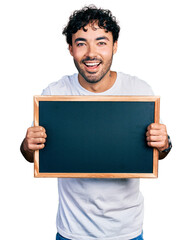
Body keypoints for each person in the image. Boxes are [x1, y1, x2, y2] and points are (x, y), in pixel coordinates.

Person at [20, 5, 172, 240]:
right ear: (71, 49)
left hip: (127, 231)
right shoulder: (55, 93)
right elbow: (32, 155)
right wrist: (28, 145)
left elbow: (158, 153)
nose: (91, 53)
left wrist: (164, 143)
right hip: (72, 231)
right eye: (81, 43)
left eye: (101, 42)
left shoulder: (139, 91)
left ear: (115, 46)